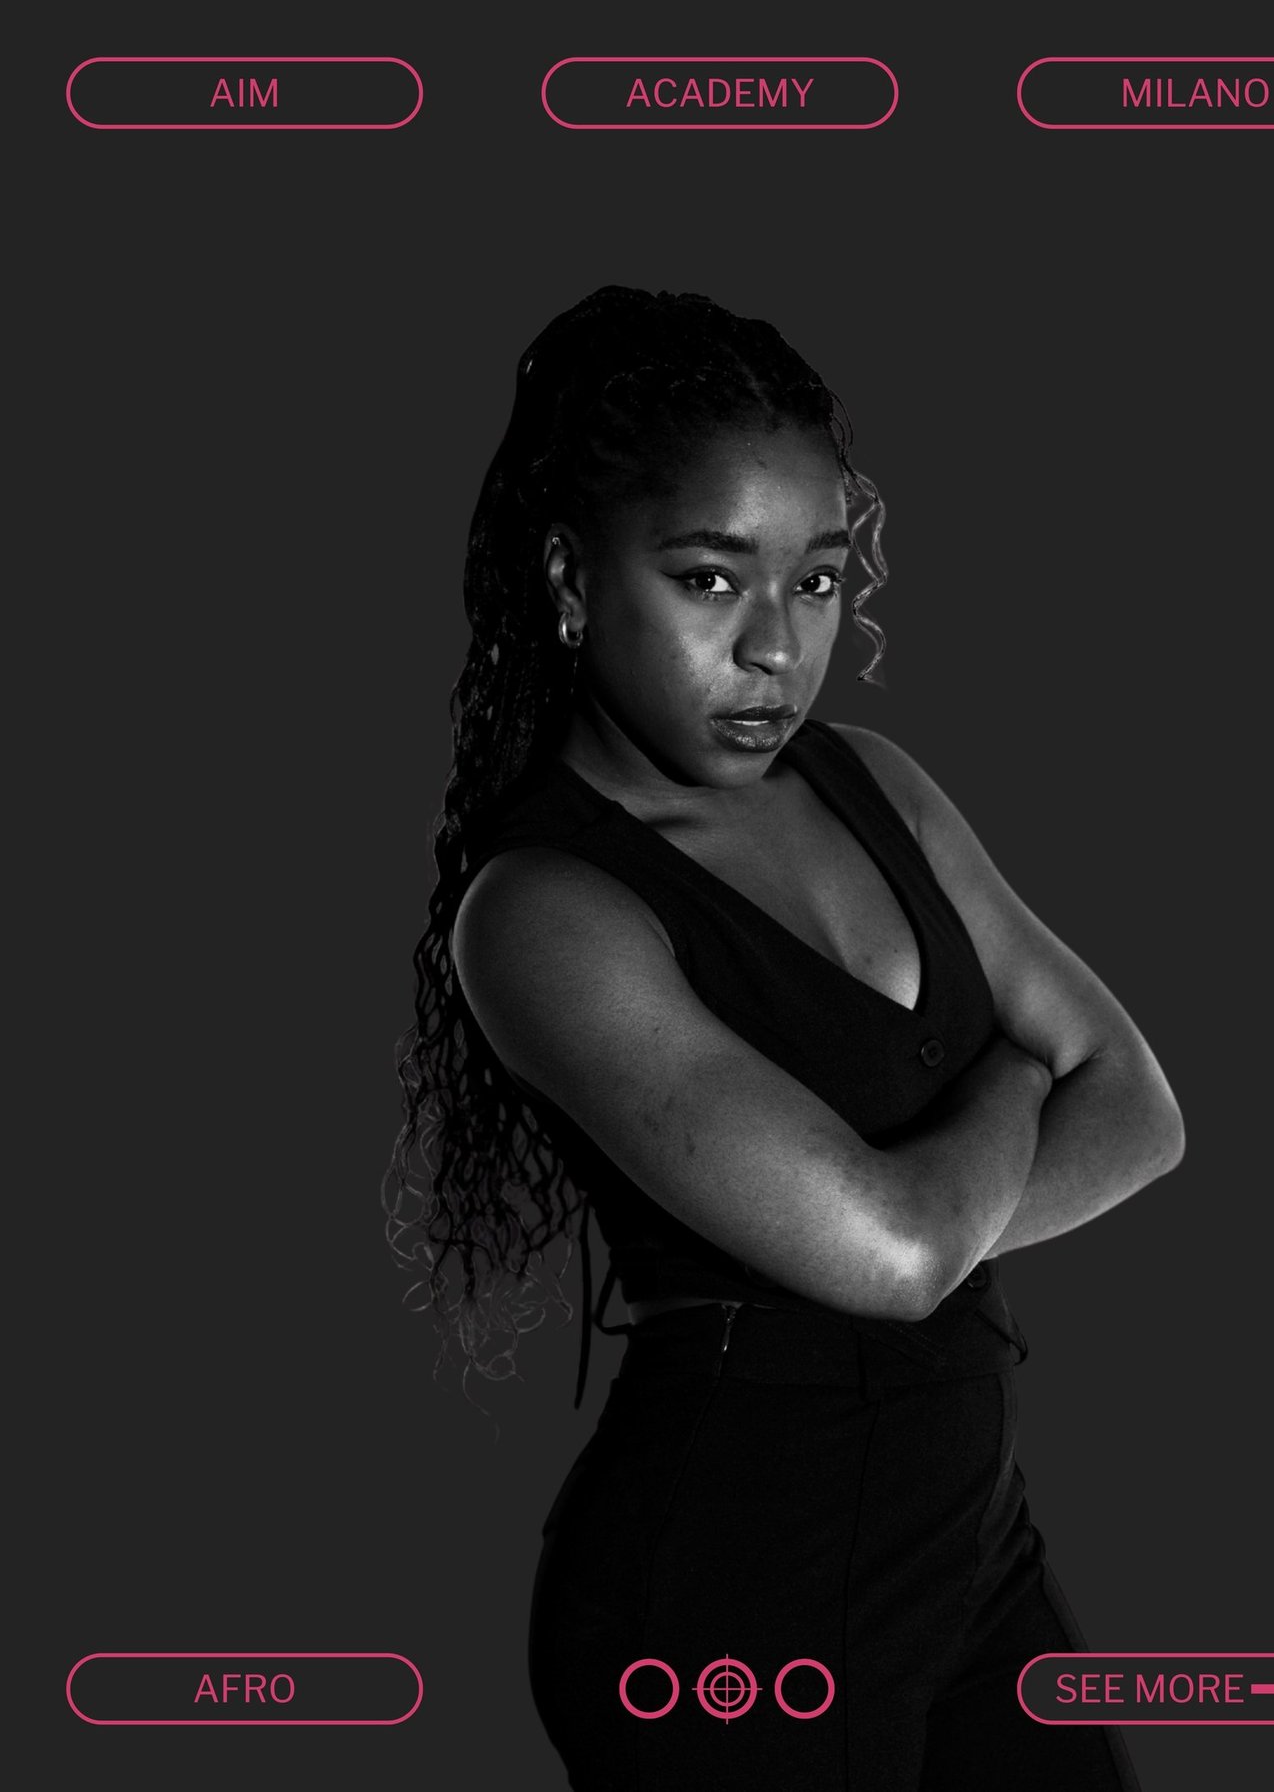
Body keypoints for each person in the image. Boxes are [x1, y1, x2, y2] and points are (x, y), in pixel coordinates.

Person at [385, 285, 1184, 1789]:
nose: (774, 648)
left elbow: (1141, 1109)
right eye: (708, 579)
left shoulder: (872, 782)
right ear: (569, 578)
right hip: (731, 1594)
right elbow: (899, 1257)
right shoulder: (545, 910)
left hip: (967, 1548)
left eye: (816, 580)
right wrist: (1019, 1072)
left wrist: (918, 1214)